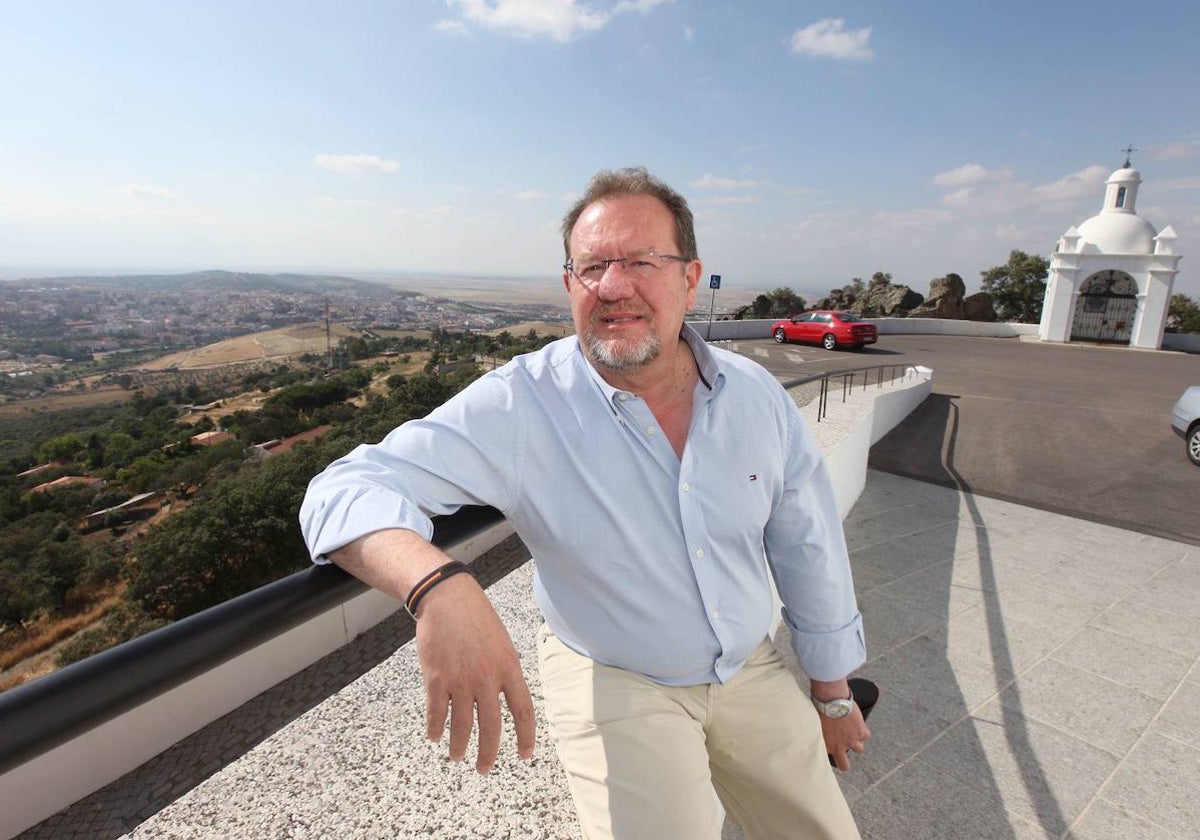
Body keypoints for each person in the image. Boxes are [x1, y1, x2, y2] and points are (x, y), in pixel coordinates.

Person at [299, 167, 869, 839]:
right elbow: (342, 488)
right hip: (619, 679)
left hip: (751, 664)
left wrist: (832, 694)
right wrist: (439, 587)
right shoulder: (522, 403)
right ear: (570, 284)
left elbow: (806, 542)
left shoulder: (755, 396)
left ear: (690, 277)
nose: (613, 286)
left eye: (641, 262)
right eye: (592, 266)